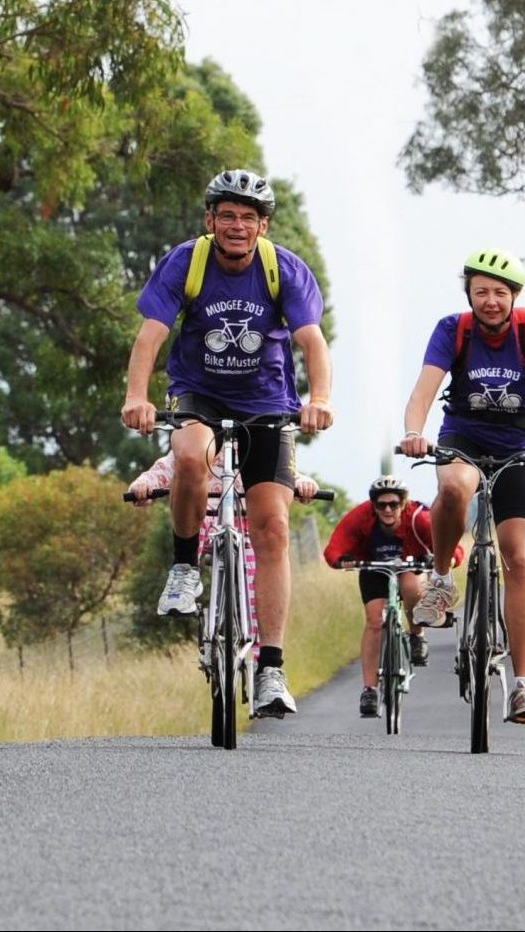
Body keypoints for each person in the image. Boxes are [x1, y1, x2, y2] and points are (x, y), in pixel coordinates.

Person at [121, 169, 334, 718]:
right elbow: (151, 334)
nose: (237, 226)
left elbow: (311, 340)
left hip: (268, 400)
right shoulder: (186, 261)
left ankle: (271, 669)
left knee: (274, 528)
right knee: (189, 454)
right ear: (210, 220)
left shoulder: (282, 268)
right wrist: (138, 397)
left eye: (248, 217)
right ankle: (186, 568)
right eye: (227, 215)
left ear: (262, 225)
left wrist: (321, 399)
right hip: (200, 392)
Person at [399, 248, 525, 725]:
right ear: (469, 295)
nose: (491, 301)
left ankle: (523, 686)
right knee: (454, 487)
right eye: (481, 292)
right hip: (464, 436)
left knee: (517, 557)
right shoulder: (452, 330)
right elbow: (425, 389)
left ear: (514, 296)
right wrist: (414, 431)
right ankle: (439, 580)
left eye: (500, 293)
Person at [125, 452, 320, 659]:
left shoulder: (254, 444)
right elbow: (166, 467)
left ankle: (259, 656)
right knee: (191, 524)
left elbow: (281, 473)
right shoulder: (201, 442)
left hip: (246, 527)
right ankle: (186, 581)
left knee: (257, 587)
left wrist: (303, 484)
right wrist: (144, 485)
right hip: (206, 518)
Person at [322, 474, 461, 718]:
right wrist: (341, 560)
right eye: (381, 505)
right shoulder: (361, 516)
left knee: (411, 589)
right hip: (374, 568)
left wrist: (446, 558)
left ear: (403, 504)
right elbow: (335, 547)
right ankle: (370, 690)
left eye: (393, 504)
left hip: (411, 565)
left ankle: (417, 635)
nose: (387, 510)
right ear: (373, 506)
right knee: (375, 622)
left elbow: (452, 546)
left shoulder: (420, 519)